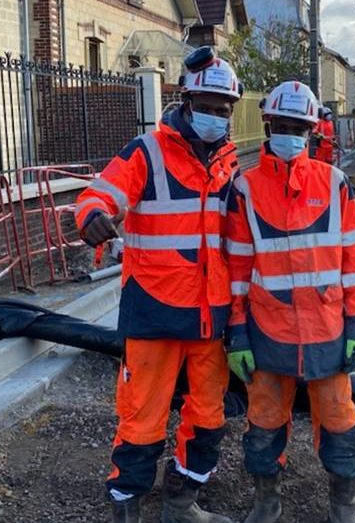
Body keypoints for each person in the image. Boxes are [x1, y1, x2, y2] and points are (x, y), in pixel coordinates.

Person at [75, 46, 241, 523]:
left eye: (223, 109)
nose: (215, 116)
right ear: (186, 102)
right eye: (207, 107)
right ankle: (127, 508)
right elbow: (101, 192)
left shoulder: (229, 163)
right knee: (141, 418)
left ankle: (181, 504)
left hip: (210, 312)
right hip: (153, 307)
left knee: (209, 418)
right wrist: (92, 217)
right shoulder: (147, 152)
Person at [224, 80, 355, 523]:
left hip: (328, 331)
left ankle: (343, 508)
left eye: (299, 127)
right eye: (282, 125)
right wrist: (237, 335)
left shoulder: (334, 185)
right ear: (268, 125)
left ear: (312, 131)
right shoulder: (246, 190)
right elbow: (236, 271)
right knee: (264, 424)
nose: (290, 134)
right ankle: (266, 503)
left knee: (340, 423)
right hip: (268, 333)